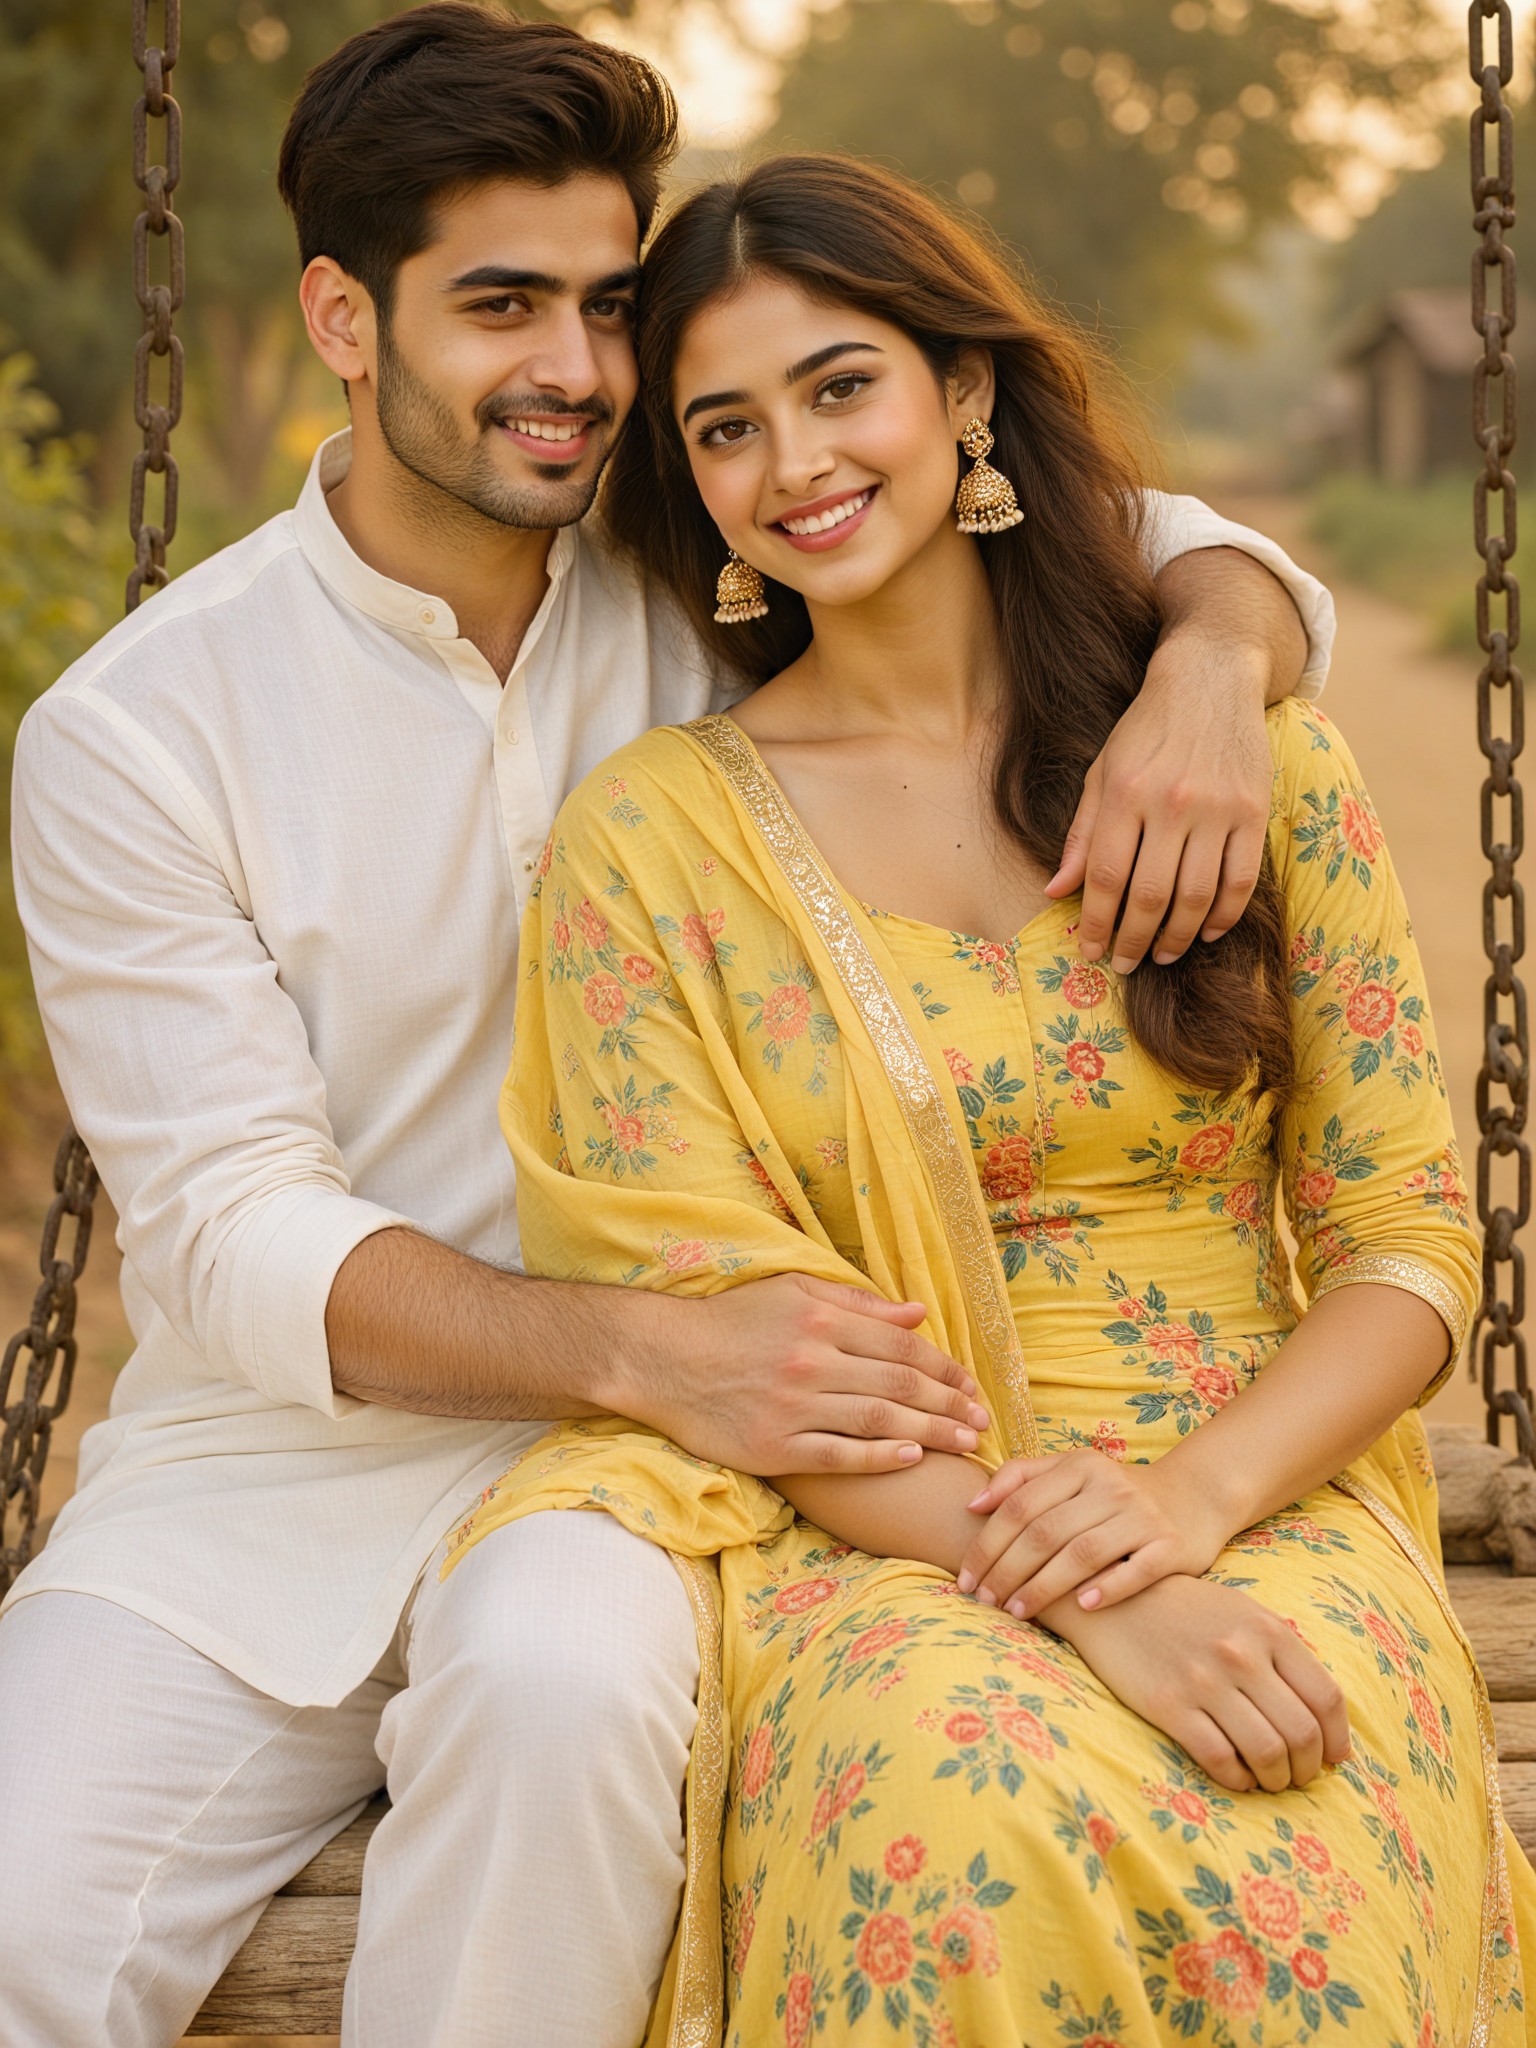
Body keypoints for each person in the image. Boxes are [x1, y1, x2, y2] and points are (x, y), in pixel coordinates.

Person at [1, 10, 1334, 2046]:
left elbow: (1093, 525)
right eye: (500, 305)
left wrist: (1222, 659)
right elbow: (230, 1233)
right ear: (345, 320)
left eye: (610, 306)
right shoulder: (140, 730)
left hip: (649, 1486)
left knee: (554, 1695)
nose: (577, 371)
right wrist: (645, 1344)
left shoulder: (711, 584)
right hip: (258, 1491)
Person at [447, 152, 1536, 2045]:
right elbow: (731, 1339)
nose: (795, 462)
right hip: (888, 1522)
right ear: (690, 482)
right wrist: (1093, 1590)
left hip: (1254, 1472)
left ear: (961, 394)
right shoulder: (654, 846)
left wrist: (1188, 1511)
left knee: (1287, 1842)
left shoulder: (1234, 756)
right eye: (725, 425)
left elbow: (1406, 1243)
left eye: (841, 384)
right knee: (955, 1819)